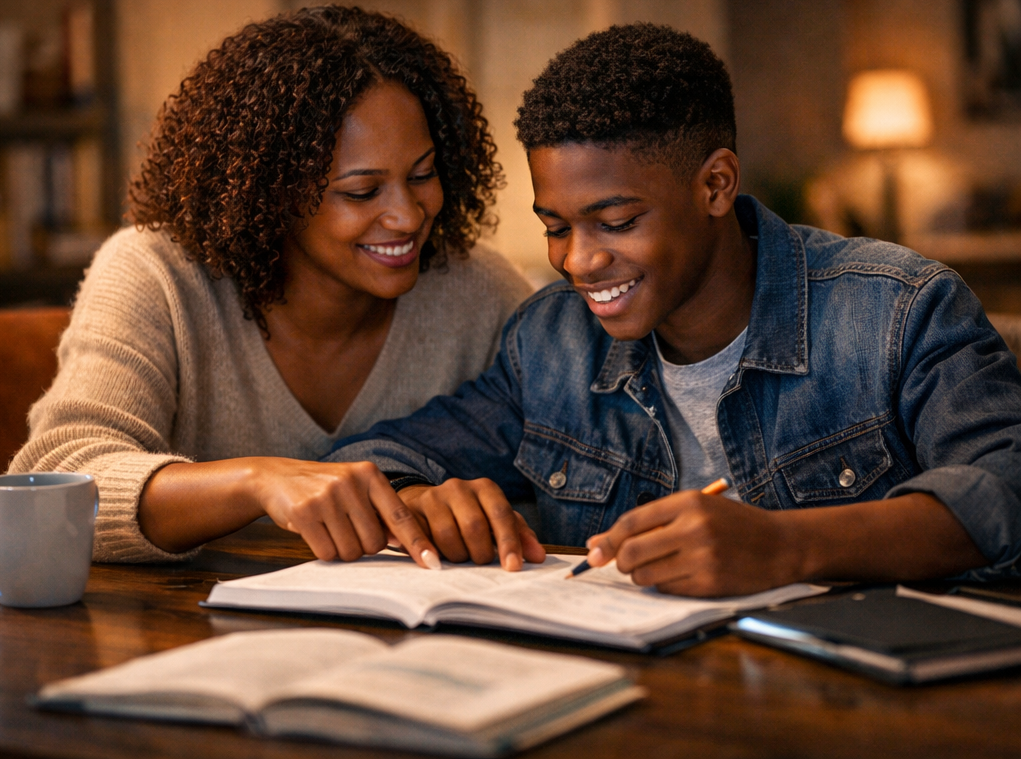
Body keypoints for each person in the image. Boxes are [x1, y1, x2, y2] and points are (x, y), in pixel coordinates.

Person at [327, 23, 1021, 596]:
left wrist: (786, 545)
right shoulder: (549, 341)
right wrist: (418, 497)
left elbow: (1004, 490)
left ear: (715, 185)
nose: (578, 261)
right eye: (556, 226)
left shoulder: (898, 309)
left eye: (617, 221)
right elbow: (370, 459)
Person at [9, 6, 532, 566]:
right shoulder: (156, 276)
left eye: (423, 175)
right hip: (187, 636)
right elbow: (60, 476)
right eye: (362, 192)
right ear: (271, 193)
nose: (407, 216)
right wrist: (257, 481)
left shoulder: (478, 291)